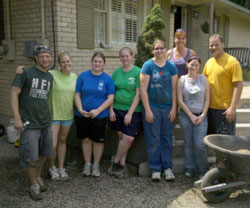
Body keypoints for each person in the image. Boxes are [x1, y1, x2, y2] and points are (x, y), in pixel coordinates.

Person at [16, 51, 77, 181]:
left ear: (71, 61)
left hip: (67, 115)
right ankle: (52, 167)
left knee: (62, 141)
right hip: (53, 115)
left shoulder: (75, 77)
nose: (66, 64)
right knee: (52, 146)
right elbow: (38, 72)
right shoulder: (52, 74)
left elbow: (78, 95)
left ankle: (61, 168)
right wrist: (22, 70)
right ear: (59, 64)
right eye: (63, 62)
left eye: (68, 61)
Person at [10, 46, 53, 200]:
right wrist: (17, 117)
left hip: (45, 122)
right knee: (31, 157)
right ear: (36, 57)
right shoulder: (25, 73)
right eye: (41, 56)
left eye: (47, 56)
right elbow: (14, 94)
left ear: (51, 57)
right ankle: (33, 184)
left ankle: (38, 177)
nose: (45, 59)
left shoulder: (49, 77)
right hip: (30, 124)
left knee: (43, 155)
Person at [140, 39, 178, 181]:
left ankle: (167, 168)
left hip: (167, 107)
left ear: (166, 49)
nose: (159, 50)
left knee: (167, 138)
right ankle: (155, 168)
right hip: (153, 107)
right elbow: (143, 90)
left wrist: (174, 109)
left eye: (162, 48)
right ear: (153, 50)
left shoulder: (171, 67)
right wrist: (148, 110)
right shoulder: (148, 66)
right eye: (156, 48)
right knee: (153, 139)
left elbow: (174, 90)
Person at [74, 52, 115, 177]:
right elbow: (77, 94)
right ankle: (87, 164)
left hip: (100, 116)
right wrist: (80, 109)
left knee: (98, 141)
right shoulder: (82, 76)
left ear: (103, 64)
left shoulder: (107, 79)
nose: (97, 64)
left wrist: (98, 111)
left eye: (100, 62)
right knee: (86, 140)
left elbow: (110, 97)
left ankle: (96, 165)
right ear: (91, 62)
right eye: (95, 61)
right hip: (83, 115)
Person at [108, 47, 142, 178]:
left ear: (132, 56)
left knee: (128, 138)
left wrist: (130, 113)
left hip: (133, 111)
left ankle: (115, 161)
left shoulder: (138, 72)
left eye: (127, 56)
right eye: (122, 56)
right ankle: (122, 166)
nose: (125, 58)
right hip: (117, 109)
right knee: (121, 138)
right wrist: (111, 110)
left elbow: (138, 94)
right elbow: (112, 93)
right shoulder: (116, 73)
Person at [202, 34, 243, 135]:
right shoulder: (209, 63)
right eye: (211, 45)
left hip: (225, 110)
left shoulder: (232, 62)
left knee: (225, 143)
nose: (214, 47)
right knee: (211, 141)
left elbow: (238, 85)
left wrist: (232, 108)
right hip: (209, 109)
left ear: (223, 44)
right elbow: (203, 84)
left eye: (216, 45)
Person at [177, 56, 209, 179]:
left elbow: (207, 99)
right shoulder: (181, 80)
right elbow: (180, 100)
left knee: (199, 144)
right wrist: (190, 115)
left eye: (196, 64)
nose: (193, 66)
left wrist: (202, 115)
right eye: (191, 64)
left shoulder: (204, 79)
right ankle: (189, 168)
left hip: (201, 116)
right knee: (188, 143)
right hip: (185, 116)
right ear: (187, 64)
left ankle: (203, 170)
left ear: (199, 66)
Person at [166, 28, 196, 146]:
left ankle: (188, 138)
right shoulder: (169, 53)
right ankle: (172, 136)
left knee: (187, 111)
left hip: (186, 87)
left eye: (183, 38)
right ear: (174, 39)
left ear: (186, 40)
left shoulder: (191, 53)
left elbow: (195, 67)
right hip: (172, 87)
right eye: (178, 38)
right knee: (173, 111)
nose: (180, 40)